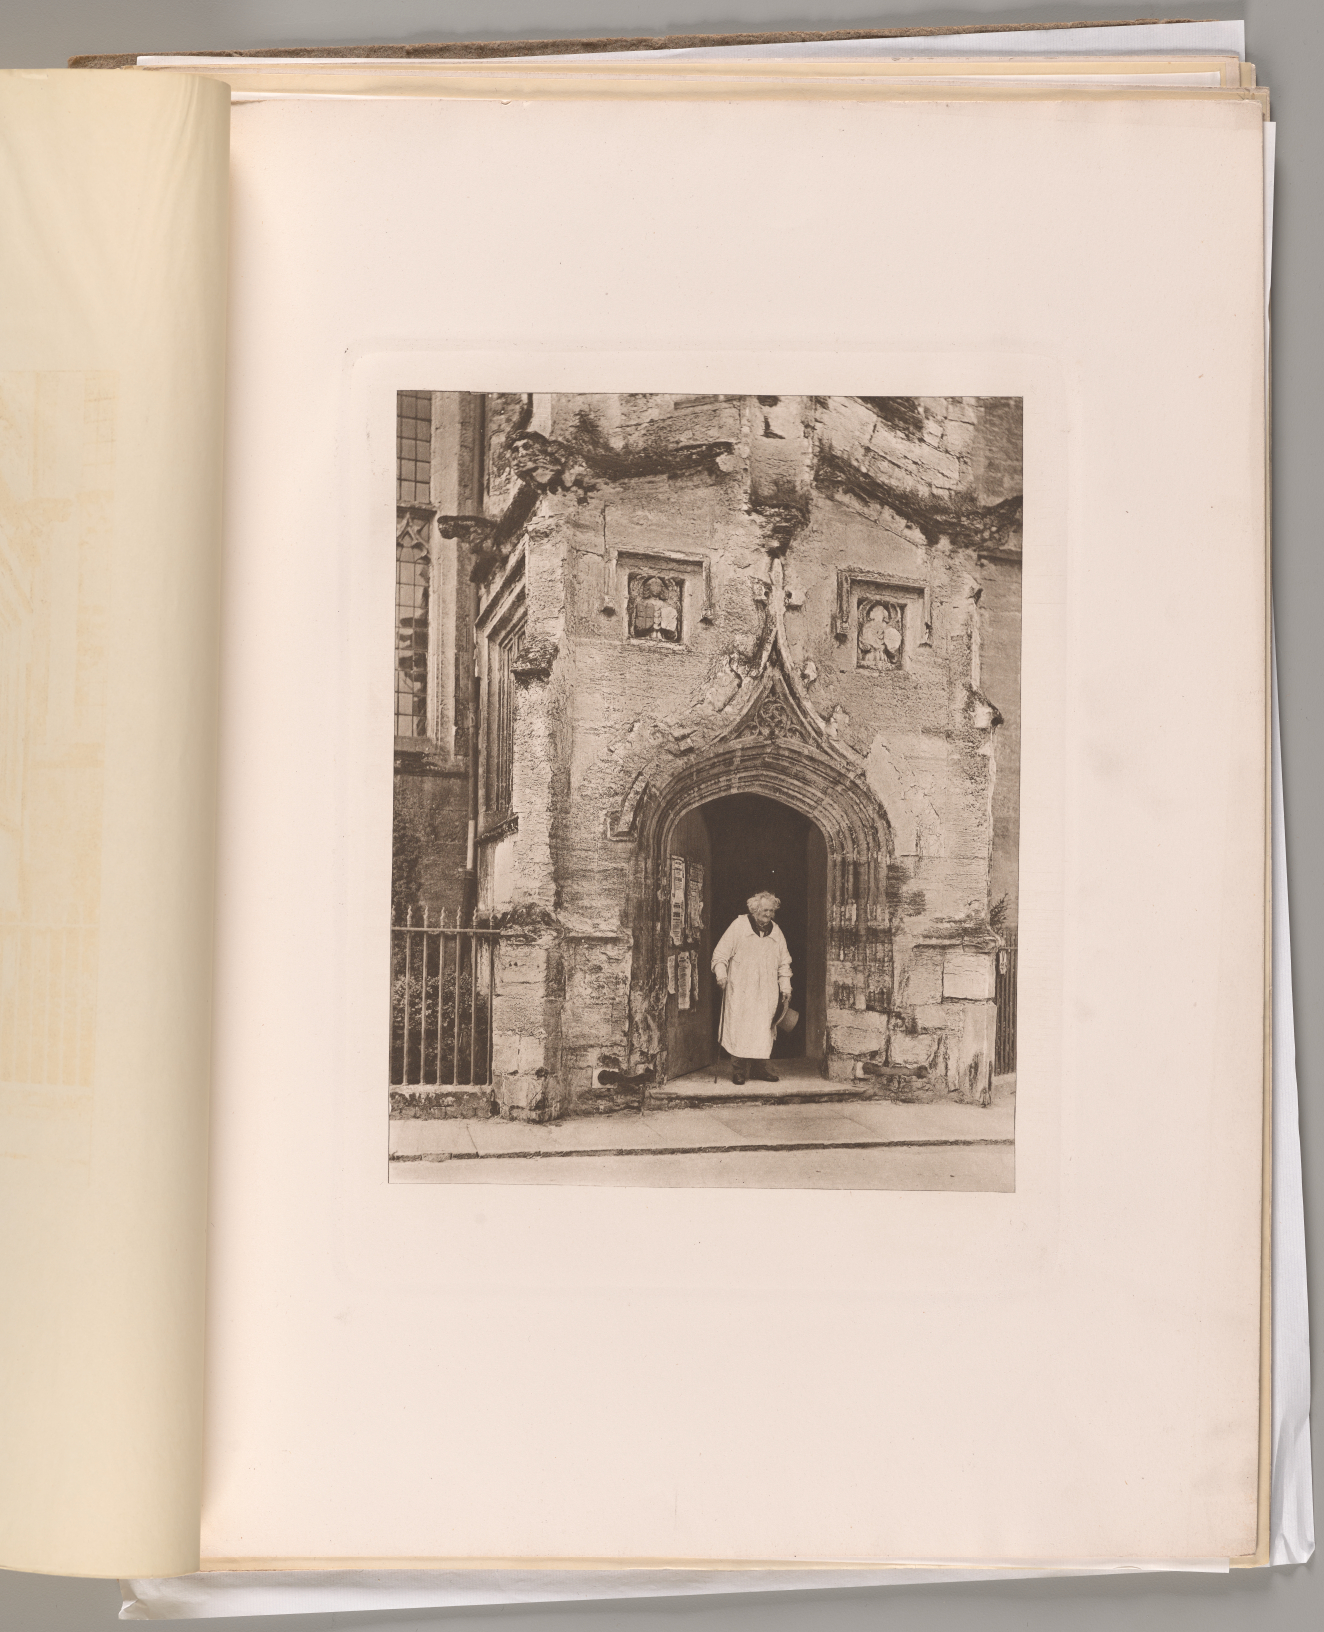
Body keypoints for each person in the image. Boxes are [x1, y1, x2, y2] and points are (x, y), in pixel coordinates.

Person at [711, 891, 792, 1084]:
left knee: (763, 1029)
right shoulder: (739, 926)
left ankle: (759, 1069)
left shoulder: (776, 932)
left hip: (766, 991)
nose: (769, 914)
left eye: (771, 911)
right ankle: (738, 1070)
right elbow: (720, 955)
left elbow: (784, 963)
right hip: (742, 989)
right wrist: (721, 975)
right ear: (755, 910)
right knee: (740, 1027)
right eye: (765, 910)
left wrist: (786, 987)